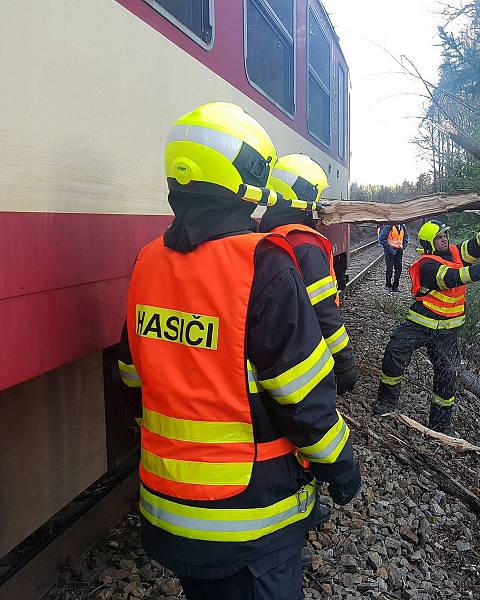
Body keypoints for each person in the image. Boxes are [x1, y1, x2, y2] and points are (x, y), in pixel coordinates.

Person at [117, 102, 361, 600]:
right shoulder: (263, 266)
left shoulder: (147, 263)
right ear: (242, 180)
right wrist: (341, 465)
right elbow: (303, 397)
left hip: (169, 510)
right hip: (249, 520)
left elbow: (131, 376)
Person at [372, 218, 480, 434]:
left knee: (447, 373)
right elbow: (453, 278)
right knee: (395, 351)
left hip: (447, 330)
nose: (444, 239)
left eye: (445, 235)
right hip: (421, 322)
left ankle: (441, 424)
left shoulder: (455, 252)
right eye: (439, 237)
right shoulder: (427, 264)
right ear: (429, 243)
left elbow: (475, 244)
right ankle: (386, 402)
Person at [258, 153, 357, 396]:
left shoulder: (267, 234)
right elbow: (324, 312)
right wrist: (344, 361)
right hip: (301, 344)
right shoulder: (305, 245)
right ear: (304, 197)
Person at [378, 222, 408, 291]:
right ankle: (388, 285)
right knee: (389, 268)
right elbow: (382, 238)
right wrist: (388, 247)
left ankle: (395, 286)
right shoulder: (388, 226)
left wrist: (403, 246)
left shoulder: (402, 226)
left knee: (399, 268)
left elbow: (405, 237)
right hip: (389, 251)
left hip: (399, 250)